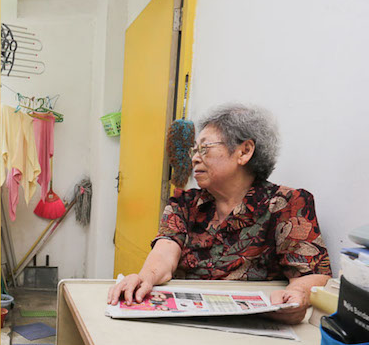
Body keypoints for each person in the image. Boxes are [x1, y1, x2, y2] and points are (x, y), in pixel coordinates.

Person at [108, 104, 331, 325]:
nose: (195, 158)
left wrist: (296, 294)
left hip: (254, 329)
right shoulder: (184, 203)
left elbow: (313, 273)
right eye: (194, 151)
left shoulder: (287, 204)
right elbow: (165, 253)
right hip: (187, 323)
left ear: (244, 151)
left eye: (205, 148)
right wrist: (145, 277)